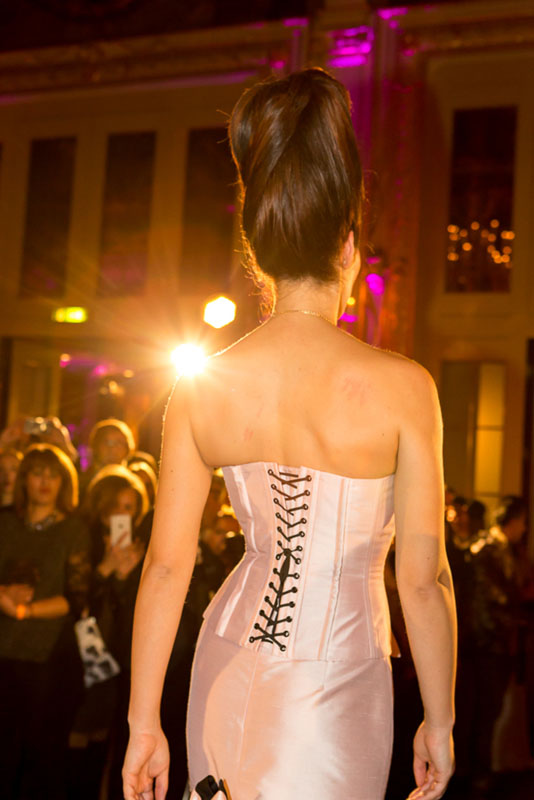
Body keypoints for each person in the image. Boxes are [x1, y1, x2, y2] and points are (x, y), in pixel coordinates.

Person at [123, 68, 456, 800]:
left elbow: (167, 569)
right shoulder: (405, 389)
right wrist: (440, 719)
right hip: (341, 683)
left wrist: (143, 723)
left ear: (258, 253)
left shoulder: (202, 387)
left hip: (224, 661)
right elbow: (423, 581)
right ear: (350, 249)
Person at [0, 443, 90, 799]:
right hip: (3, 650)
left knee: (41, 755)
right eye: (38, 473)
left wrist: (25, 611)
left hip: (49, 657)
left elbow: (77, 598)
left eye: (53, 476)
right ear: (25, 478)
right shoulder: (6, 522)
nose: (45, 482)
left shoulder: (73, 530)